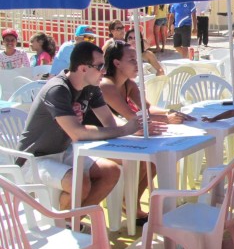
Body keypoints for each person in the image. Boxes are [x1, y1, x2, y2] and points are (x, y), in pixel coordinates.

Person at [16, 42, 166, 210]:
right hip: (34, 159)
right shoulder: (57, 89)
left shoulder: (91, 88)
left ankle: (72, 220)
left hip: (64, 151)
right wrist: (125, 129)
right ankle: (64, 222)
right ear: (83, 68)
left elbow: (109, 123)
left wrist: (134, 129)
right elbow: (77, 133)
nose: (104, 70)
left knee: (111, 171)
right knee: (80, 183)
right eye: (100, 66)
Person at [83, 41, 188, 221]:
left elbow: (147, 108)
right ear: (117, 63)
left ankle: (130, 201)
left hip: (117, 135)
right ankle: (128, 203)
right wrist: (166, 120)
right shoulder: (106, 85)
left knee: (153, 161)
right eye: (132, 59)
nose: (138, 63)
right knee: (141, 160)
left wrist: (170, 113)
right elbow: (131, 115)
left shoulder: (128, 84)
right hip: (97, 139)